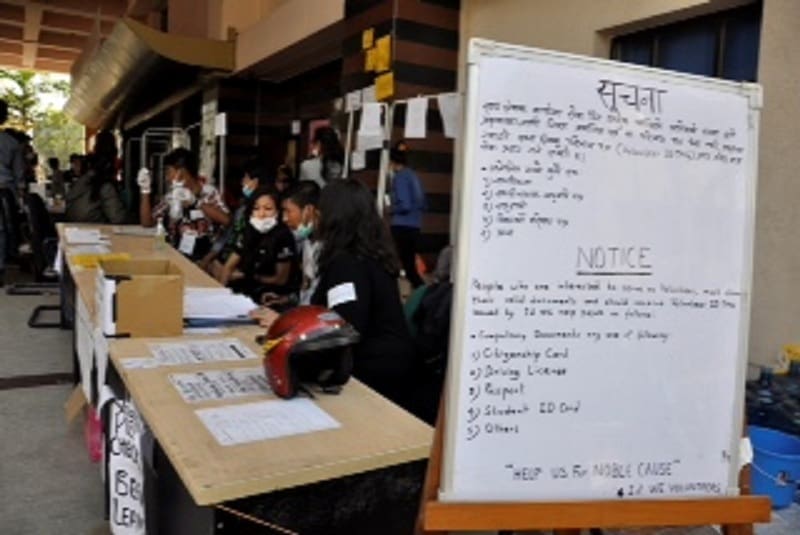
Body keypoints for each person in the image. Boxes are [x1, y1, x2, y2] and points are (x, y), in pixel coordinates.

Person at [311, 179, 416, 410]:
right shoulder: (371, 254)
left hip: (374, 375)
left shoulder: (347, 263)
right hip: (391, 366)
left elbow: (345, 325)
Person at [138, 147, 230, 260]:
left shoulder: (209, 192)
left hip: (206, 259)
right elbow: (147, 222)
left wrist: (196, 202)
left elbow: (227, 220)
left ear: (181, 172)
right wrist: (145, 191)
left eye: (169, 172)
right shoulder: (171, 196)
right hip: (178, 256)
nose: (167, 178)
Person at [221, 186, 299, 306]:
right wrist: (221, 294)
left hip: (271, 296)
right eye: (256, 208)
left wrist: (250, 276)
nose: (261, 214)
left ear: (278, 211)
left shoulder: (283, 236)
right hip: (244, 292)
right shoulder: (248, 231)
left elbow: (280, 279)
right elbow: (228, 267)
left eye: (268, 209)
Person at [201, 157, 269, 278]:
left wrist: (228, 272)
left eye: (245, 178)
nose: (242, 182)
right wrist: (208, 259)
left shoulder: (264, 219)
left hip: (240, 272)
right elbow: (228, 235)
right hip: (224, 264)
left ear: (255, 182)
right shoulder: (241, 210)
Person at [65, 131, 128, 224]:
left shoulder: (84, 179)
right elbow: (117, 218)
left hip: (75, 226)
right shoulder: (104, 185)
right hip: (94, 229)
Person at [389, 141, 426, 288]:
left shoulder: (400, 177)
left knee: (405, 267)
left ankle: (423, 297)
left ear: (393, 162)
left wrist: (391, 209)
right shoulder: (414, 176)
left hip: (402, 226)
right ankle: (420, 294)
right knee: (410, 266)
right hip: (415, 225)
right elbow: (423, 203)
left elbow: (405, 205)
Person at [281, 180, 321, 305]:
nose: (284, 218)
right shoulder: (306, 241)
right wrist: (289, 298)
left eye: (288, 211)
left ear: (308, 210)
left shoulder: (328, 247)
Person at [0, 99, 24, 283]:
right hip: (4, 191)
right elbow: (19, 175)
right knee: (1, 230)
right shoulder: (12, 143)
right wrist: (19, 198)